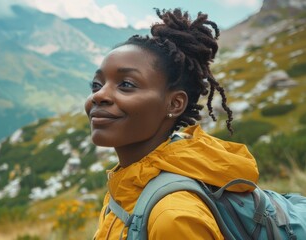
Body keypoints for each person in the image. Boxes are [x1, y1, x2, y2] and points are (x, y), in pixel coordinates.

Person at [84, 8, 259, 239]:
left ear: (174, 104)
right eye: (97, 85)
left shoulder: (173, 217)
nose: (98, 96)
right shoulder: (128, 185)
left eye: (126, 84)